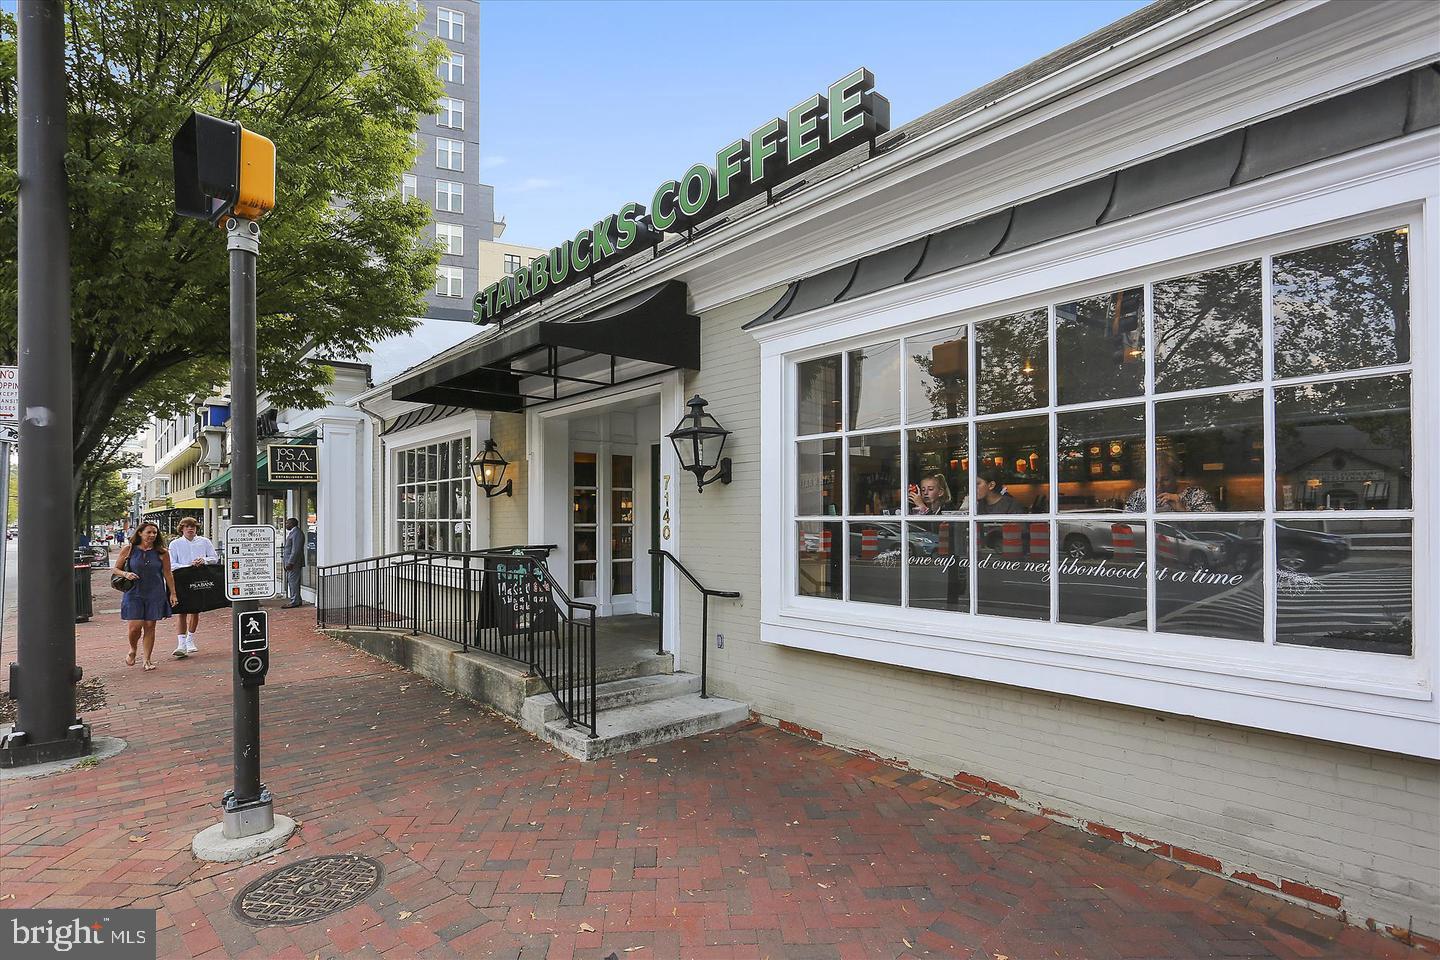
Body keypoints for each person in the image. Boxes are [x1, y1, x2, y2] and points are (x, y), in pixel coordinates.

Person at [111, 521, 179, 671]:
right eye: (149, 532)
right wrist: (126, 574)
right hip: (134, 592)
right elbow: (115, 568)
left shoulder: (162, 553)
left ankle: (147, 659)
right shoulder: (129, 550)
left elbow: (168, 574)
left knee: (150, 626)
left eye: (154, 533)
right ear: (140, 533)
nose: (152, 535)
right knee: (135, 627)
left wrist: (173, 593)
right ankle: (133, 649)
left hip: (155, 592)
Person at [167, 516, 217, 658]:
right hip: (182, 579)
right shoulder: (175, 544)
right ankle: (181, 643)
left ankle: (190, 639)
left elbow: (214, 557)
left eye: (193, 527)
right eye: (187, 526)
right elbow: (172, 564)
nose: (190, 529)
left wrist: (204, 560)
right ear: (182, 529)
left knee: (195, 610)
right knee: (182, 611)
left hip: (199, 578)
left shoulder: (204, 541)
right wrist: (189, 565)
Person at [1125, 453, 1216, 513]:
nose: (1159, 486)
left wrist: (1182, 510)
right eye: (1154, 480)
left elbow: (1211, 528)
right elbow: (1123, 527)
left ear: (1176, 476)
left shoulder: (1197, 495)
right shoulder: (1138, 497)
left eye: (1166, 479)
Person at [282, 517, 304, 608]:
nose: (286, 525)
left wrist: (290, 562)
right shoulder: (293, 532)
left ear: (292, 524)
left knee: (293, 582)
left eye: (287, 523)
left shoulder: (297, 533)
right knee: (292, 581)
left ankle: (295, 601)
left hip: (294, 563)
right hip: (290, 563)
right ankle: (296, 599)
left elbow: (296, 549)